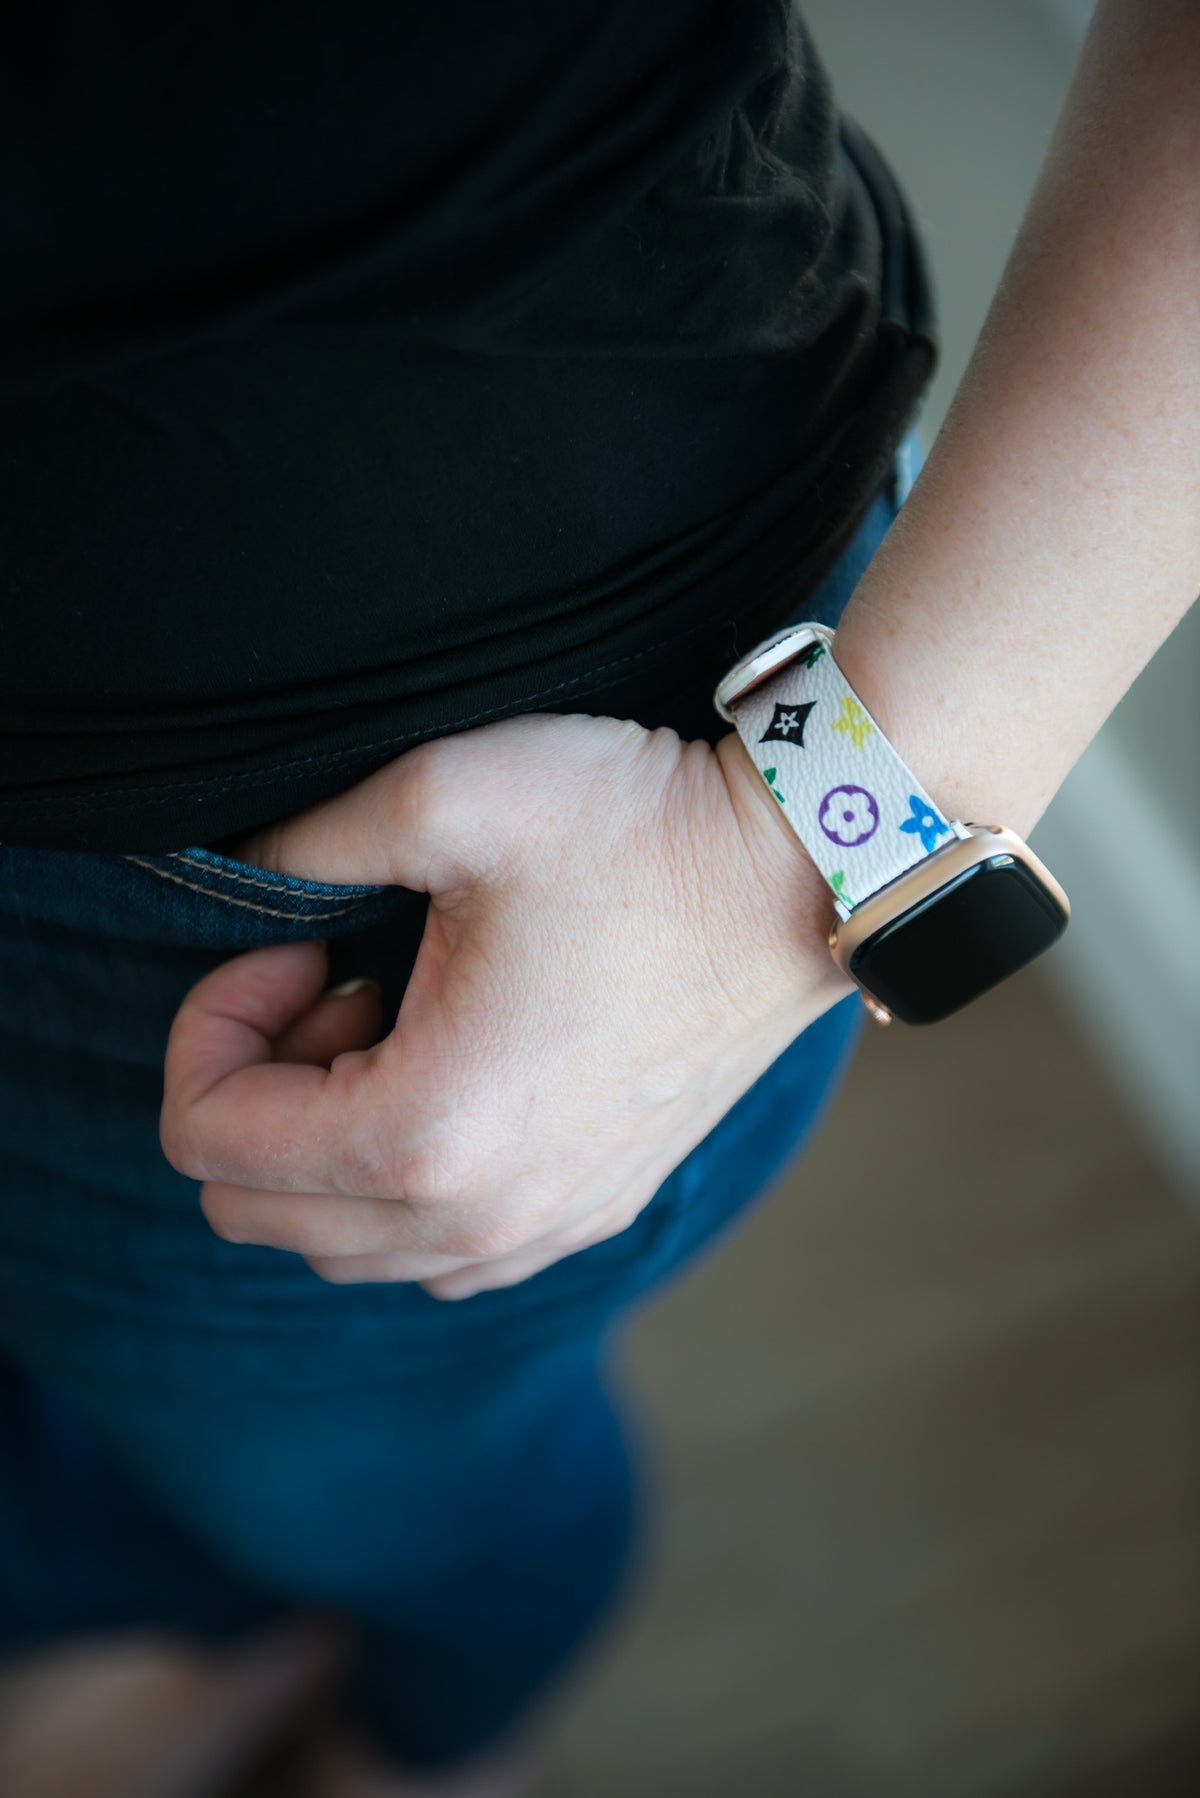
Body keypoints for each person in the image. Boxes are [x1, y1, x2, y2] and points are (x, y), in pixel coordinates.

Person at [0, 1, 1196, 1793]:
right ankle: (181, 1614)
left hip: (342, 825)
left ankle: (432, 1717)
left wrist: (782, 865)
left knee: (389, 1481)